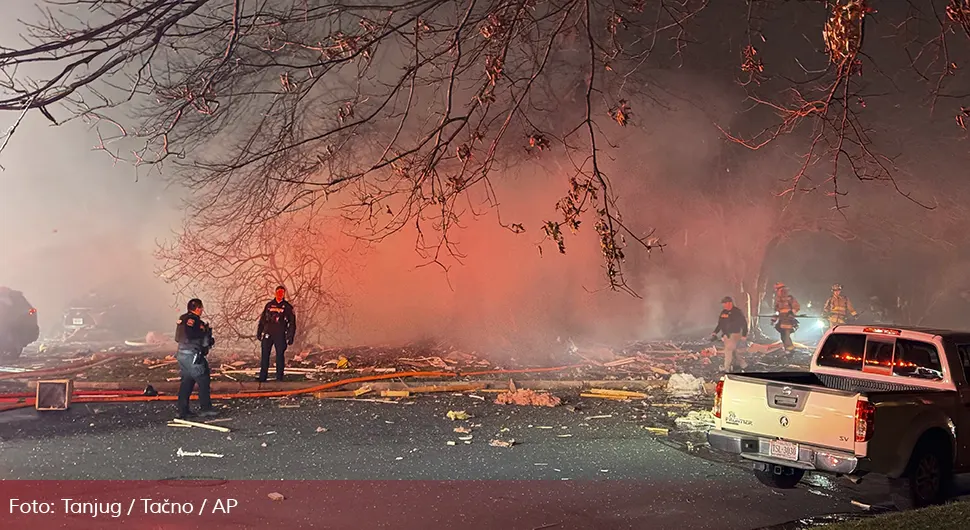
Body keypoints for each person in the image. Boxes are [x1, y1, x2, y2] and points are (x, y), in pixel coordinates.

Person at [175, 298, 217, 419]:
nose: (202, 310)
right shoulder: (197, 322)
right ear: (198, 308)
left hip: (181, 355)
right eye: (201, 308)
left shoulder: (182, 319)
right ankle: (206, 408)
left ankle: (182, 410)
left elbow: (178, 338)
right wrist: (206, 336)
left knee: (187, 382)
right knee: (203, 380)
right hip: (193, 355)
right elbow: (203, 341)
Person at [257, 285, 296, 382]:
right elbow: (262, 320)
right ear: (275, 293)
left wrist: (290, 336)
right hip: (268, 333)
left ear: (284, 294)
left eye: (282, 292)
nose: (280, 294)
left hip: (280, 334)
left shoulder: (287, 307)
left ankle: (279, 377)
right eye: (278, 292)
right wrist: (259, 331)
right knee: (265, 355)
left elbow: (292, 323)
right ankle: (263, 377)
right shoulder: (269, 305)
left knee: (279, 355)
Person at [710, 296, 749, 372]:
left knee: (728, 350)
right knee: (733, 351)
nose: (723, 305)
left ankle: (726, 368)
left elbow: (744, 324)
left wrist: (744, 334)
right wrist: (715, 332)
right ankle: (743, 364)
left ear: (730, 303)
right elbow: (720, 324)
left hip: (735, 334)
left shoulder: (737, 312)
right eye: (723, 303)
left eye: (725, 303)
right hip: (726, 336)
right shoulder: (723, 312)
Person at [771, 282, 801, 353]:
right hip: (782, 321)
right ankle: (788, 349)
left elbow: (797, 307)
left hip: (788, 320)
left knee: (786, 336)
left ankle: (790, 350)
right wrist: (774, 319)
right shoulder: (778, 300)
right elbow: (777, 311)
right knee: (783, 336)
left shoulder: (790, 299)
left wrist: (791, 313)